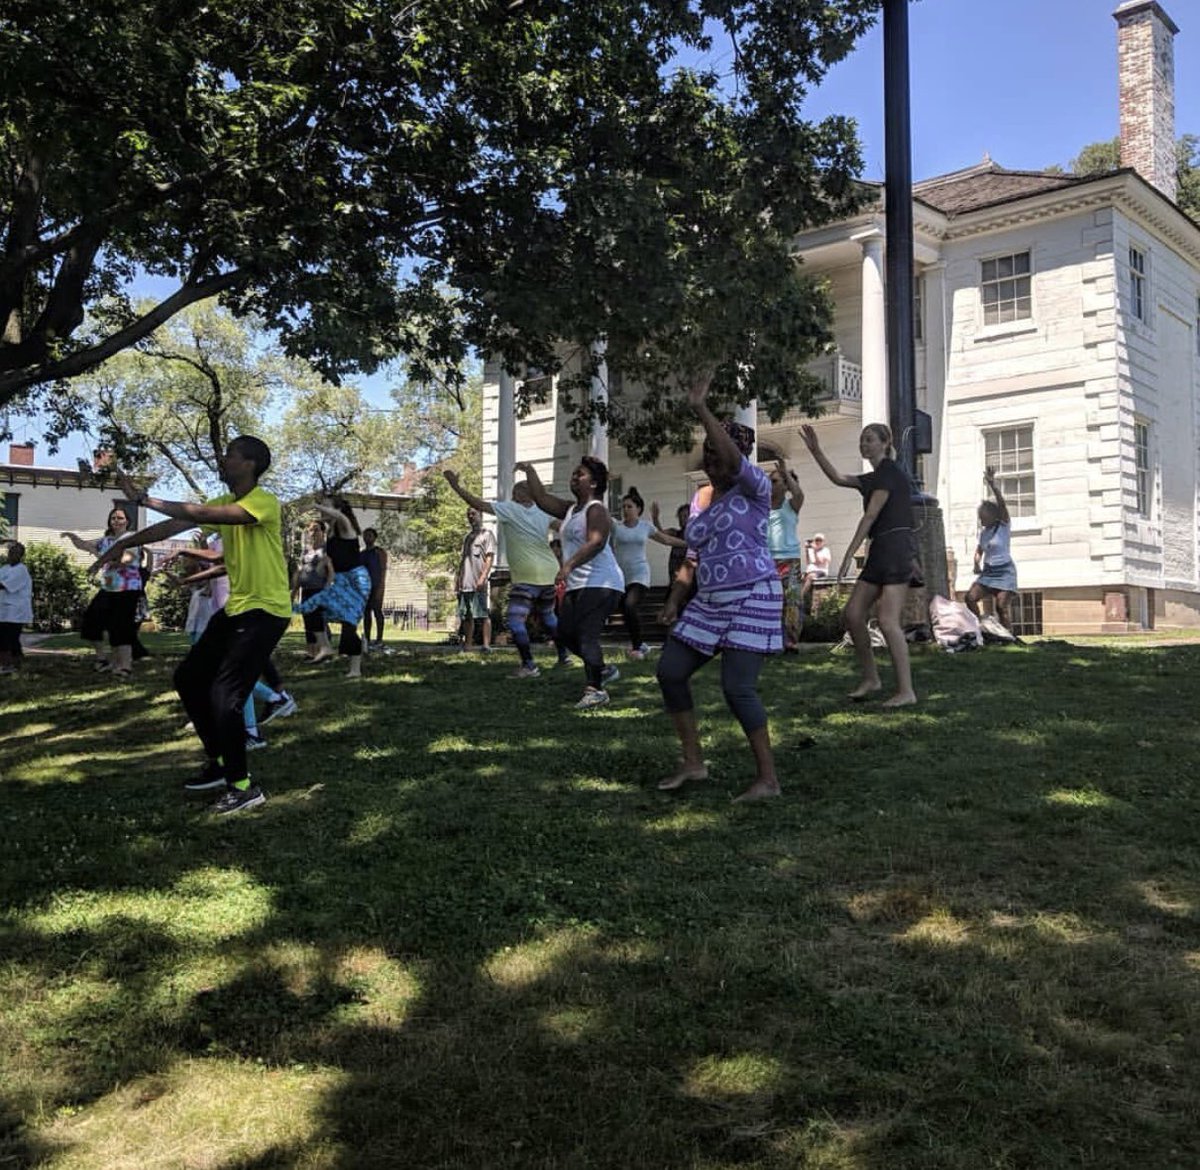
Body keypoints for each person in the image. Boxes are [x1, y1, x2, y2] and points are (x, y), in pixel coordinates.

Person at [91, 436, 293, 814]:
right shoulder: (223, 502)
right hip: (238, 609)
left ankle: (243, 786)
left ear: (249, 464)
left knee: (226, 694)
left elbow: (205, 516)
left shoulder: (263, 501)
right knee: (188, 678)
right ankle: (219, 762)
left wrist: (144, 499)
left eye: (230, 454)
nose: (224, 457)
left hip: (267, 610)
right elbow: (172, 526)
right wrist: (124, 544)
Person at [656, 378, 783, 802]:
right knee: (670, 672)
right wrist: (674, 601)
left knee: (737, 687)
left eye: (720, 451)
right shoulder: (701, 501)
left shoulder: (757, 490)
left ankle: (768, 779)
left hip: (752, 595)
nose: (712, 458)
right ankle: (693, 762)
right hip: (709, 602)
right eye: (707, 452)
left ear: (739, 456)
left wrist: (701, 408)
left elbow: (730, 457)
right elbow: (692, 557)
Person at [799, 422, 917, 708]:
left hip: (896, 549)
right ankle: (871, 679)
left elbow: (870, 517)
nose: (863, 445)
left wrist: (850, 553)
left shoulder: (889, 473)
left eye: (869, 440)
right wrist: (816, 451)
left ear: (885, 442)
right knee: (853, 614)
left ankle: (906, 691)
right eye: (861, 440)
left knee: (888, 621)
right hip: (881, 549)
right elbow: (839, 478)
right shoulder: (874, 477)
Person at [516, 455, 624, 709]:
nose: (575, 477)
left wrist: (568, 565)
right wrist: (530, 470)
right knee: (564, 633)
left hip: (602, 582)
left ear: (595, 483)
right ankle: (602, 669)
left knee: (587, 635)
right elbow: (542, 499)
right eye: (574, 473)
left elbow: (596, 542)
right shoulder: (570, 510)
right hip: (579, 583)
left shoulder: (596, 509)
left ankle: (595, 690)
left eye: (581, 474)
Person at [443, 470, 567, 677]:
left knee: (515, 620)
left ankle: (529, 665)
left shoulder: (510, 509)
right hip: (549, 573)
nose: (511, 496)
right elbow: (566, 528)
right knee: (549, 616)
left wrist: (455, 486)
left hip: (528, 575)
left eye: (515, 492)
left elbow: (478, 503)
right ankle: (564, 656)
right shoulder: (543, 513)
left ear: (521, 495)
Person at [63, 507, 144, 678]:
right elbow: (85, 545)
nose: (116, 520)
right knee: (92, 620)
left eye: (120, 518)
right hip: (108, 587)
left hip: (127, 588)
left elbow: (125, 561)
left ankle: (124, 666)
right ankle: (103, 659)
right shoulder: (106, 540)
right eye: (113, 518)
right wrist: (73, 537)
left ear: (127, 521)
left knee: (121, 627)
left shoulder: (131, 538)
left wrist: (101, 560)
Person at [612, 488, 686, 659]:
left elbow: (666, 540)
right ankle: (641, 644)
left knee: (630, 604)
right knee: (624, 609)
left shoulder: (645, 527)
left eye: (629, 506)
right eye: (623, 507)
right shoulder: (616, 527)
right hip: (621, 576)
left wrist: (688, 543)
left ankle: (637, 648)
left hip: (640, 574)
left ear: (638, 509)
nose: (625, 510)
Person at [308, 496, 368, 678]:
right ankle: (325, 646)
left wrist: (313, 504)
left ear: (337, 509)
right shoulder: (331, 532)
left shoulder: (345, 525)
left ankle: (355, 669)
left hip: (355, 580)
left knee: (348, 626)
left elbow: (338, 516)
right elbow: (330, 560)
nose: (321, 510)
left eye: (325, 507)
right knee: (312, 608)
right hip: (341, 580)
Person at [966, 467, 1018, 632]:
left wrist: (992, 485)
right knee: (970, 598)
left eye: (983, 517)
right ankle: (982, 627)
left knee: (1001, 606)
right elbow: (980, 550)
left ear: (992, 515)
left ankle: (1008, 637)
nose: (981, 521)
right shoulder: (984, 533)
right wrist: (976, 562)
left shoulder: (1003, 525)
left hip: (1004, 571)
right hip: (988, 573)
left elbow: (1001, 503)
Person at [767, 458, 806, 650]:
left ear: (785, 485)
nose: (770, 485)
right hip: (766, 560)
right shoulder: (762, 506)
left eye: (774, 481)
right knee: (770, 601)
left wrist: (785, 472)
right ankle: (771, 641)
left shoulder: (791, 505)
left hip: (790, 559)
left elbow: (798, 492)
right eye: (769, 481)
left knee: (792, 602)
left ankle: (790, 642)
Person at [453, 506, 496, 652]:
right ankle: (468, 645)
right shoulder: (467, 538)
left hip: (478, 581)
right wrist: (458, 579)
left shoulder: (487, 535)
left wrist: (483, 577)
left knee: (483, 614)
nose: (471, 517)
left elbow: (489, 558)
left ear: (480, 515)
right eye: (468, 514)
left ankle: (486, 645)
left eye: (473, 514)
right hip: (465, 582)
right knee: (467, 615)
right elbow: (462, 560)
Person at [292, 520, 334, 661]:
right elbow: (300, 571)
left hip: (319, 590)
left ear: (322, 531)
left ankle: (324, 651)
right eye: (310, 530)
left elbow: (331, 572)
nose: (312, 532)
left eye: (316, 529)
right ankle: (311, 652)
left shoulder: (326, 550)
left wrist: (327, 589)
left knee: (318, 622)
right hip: (306, 590)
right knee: (308, 621)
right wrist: (294, 591)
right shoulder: (306, 551)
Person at [0, 541, 33, 675]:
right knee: (10, 639)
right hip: (4, 610)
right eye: (10, 553)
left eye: (15, 553)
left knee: (7, 639)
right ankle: (16, 664)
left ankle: (9, 665)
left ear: (20, 556)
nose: (11, 556)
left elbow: (4, 586)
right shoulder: (5, 568)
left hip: (16, 611)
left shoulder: (21, 570)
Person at [360, 527, 389, 650]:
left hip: (376, 585)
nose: (367, 538)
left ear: (374, 538)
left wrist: (381, 586)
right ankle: (367, 638)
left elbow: (382, 570)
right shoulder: (361, 554)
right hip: (364, 587)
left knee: (377, 611)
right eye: (365, 535)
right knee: (366, 613)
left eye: (370, 535)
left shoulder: (379, 552)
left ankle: (379, 638)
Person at [801, 532, 833, 610]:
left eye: (820, 540)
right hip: (810, 570)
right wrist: (807, 551)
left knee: (811, 576)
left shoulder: (825, 550)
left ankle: (801, 596)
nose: (818, 542)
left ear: (823, 542)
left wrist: (815, 551)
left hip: (821, 570)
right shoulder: (811, 550)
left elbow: (820, 562)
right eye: (816, 540)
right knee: (802, 577)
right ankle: (805, 602)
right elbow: (808, 562)